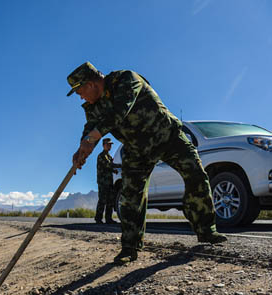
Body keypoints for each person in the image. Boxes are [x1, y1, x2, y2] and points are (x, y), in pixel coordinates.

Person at [67, 62, 227, 264]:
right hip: (137, 147)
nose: (81, 97)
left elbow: (120, 111)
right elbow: (90, 128)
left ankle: (207, 231)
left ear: (90, 84)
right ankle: (130, 248)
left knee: (195, 174)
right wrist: (81, 150)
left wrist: (91, 139)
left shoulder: (126, 79)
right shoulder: (92, 107)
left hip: (168, 136)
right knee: (131, 195)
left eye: (80, 91)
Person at [95, 138, 121, 224]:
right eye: (107, 144)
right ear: (103, 145)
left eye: (110, 144)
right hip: (103, 182)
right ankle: (98, 218)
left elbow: (109, 167)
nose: (109, 146)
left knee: (110, 200)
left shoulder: (109, 156)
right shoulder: (101, 156)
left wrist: (114, 171)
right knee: (102, 200)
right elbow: (108, 165)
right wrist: (120, 165)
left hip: (109, 181)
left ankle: (108, 218)